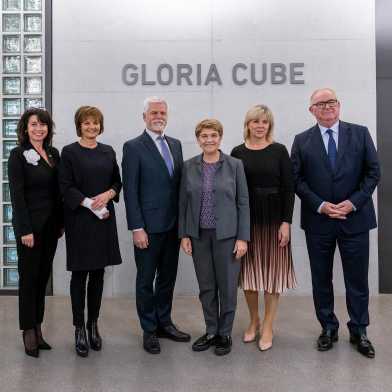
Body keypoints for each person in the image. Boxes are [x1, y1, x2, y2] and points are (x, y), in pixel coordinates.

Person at [291, 88, 380, 358]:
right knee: (321, 279)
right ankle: (328, 327)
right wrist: (321, 205)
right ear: (312, 110)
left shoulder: (361, 133)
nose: (327, 107)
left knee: (357, 279)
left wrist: (352, 203)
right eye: (321, 103)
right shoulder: (302, 140)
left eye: (331, 102)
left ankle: (359, 330)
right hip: (319, 221)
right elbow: (297, 180)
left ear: (339, 105)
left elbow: (373, 172)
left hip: (355, 218)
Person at [122, 97, 190, 354]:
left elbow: (179, 186)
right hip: (148, 228)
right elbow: (130, 191)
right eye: (154, 113)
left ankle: (164, 323)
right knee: (145, 280)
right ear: (144, 117)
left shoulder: (176, 145)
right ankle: (149, 329)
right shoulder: (133, 147)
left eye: (162, 112)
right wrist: (136, 227)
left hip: (173, 227)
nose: (158, 116)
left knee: (167, 278)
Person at [179, 119, 250, 356]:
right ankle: (211, 330)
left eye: (213, 135)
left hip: (228, 236)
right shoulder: (189, 166)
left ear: (220, 137)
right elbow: (183, 203)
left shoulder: (235, 165)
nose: (209, 140)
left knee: (227, 287)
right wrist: (184, 234)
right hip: (199, 236)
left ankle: (225, 333)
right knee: (207, 287)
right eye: (204, 136)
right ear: (198, 139)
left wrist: (243, 238)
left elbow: (243, 203)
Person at [231, 105, 296, 351]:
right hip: (246, 219)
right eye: (255, 121)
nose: (260, 126)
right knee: (248, 277)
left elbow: (289, 189)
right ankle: (254, 320)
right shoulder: (237, 152)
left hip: (273, 220)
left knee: (271, 277)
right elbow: (233, 190)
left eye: (264, 122)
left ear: (269, 126)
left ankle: (268, 325)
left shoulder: (279, 151)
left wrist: (286, 223)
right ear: (247, 124)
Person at [59, 106, 122, 357]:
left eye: (95, 123)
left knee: (98, 275)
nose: (91, 127)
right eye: (86, 123)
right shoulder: (69, 152)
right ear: (79, 126)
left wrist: (108, 194)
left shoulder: (108, 151)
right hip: (80, 220)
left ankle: (93, 324)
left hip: (104, 219)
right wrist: (90, 204)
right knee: (79, 276)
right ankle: (78, 329)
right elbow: (65, 186)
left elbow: (117, 182)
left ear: (100, 125)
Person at [8, 108, 63, 358]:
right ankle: (28, 331)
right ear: (25, 128)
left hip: (51, 228)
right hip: (30, 229)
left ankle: (39, 328)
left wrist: (61, 223)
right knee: (28, 280)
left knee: (42, 280)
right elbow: (17, 196)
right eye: (34, 125)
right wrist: (24, 229)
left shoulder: (53, 154)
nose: (39, 129)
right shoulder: (18, 155)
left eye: (43, 125)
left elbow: (58, 191)